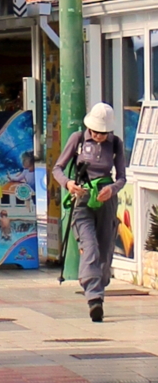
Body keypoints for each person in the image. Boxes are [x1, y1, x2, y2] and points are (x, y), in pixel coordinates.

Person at [54, 101, 126, 322]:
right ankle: (94, 298)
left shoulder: (116, 144)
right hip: (82, 200)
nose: (98, 136)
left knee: (105, 251)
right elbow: (57, 168)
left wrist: (111, 189)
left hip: (106, 201)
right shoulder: (77, 139)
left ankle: (99, 290)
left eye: (103, 133)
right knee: (91, 248)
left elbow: (122, 177)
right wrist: (68, 184)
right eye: (95, 132)